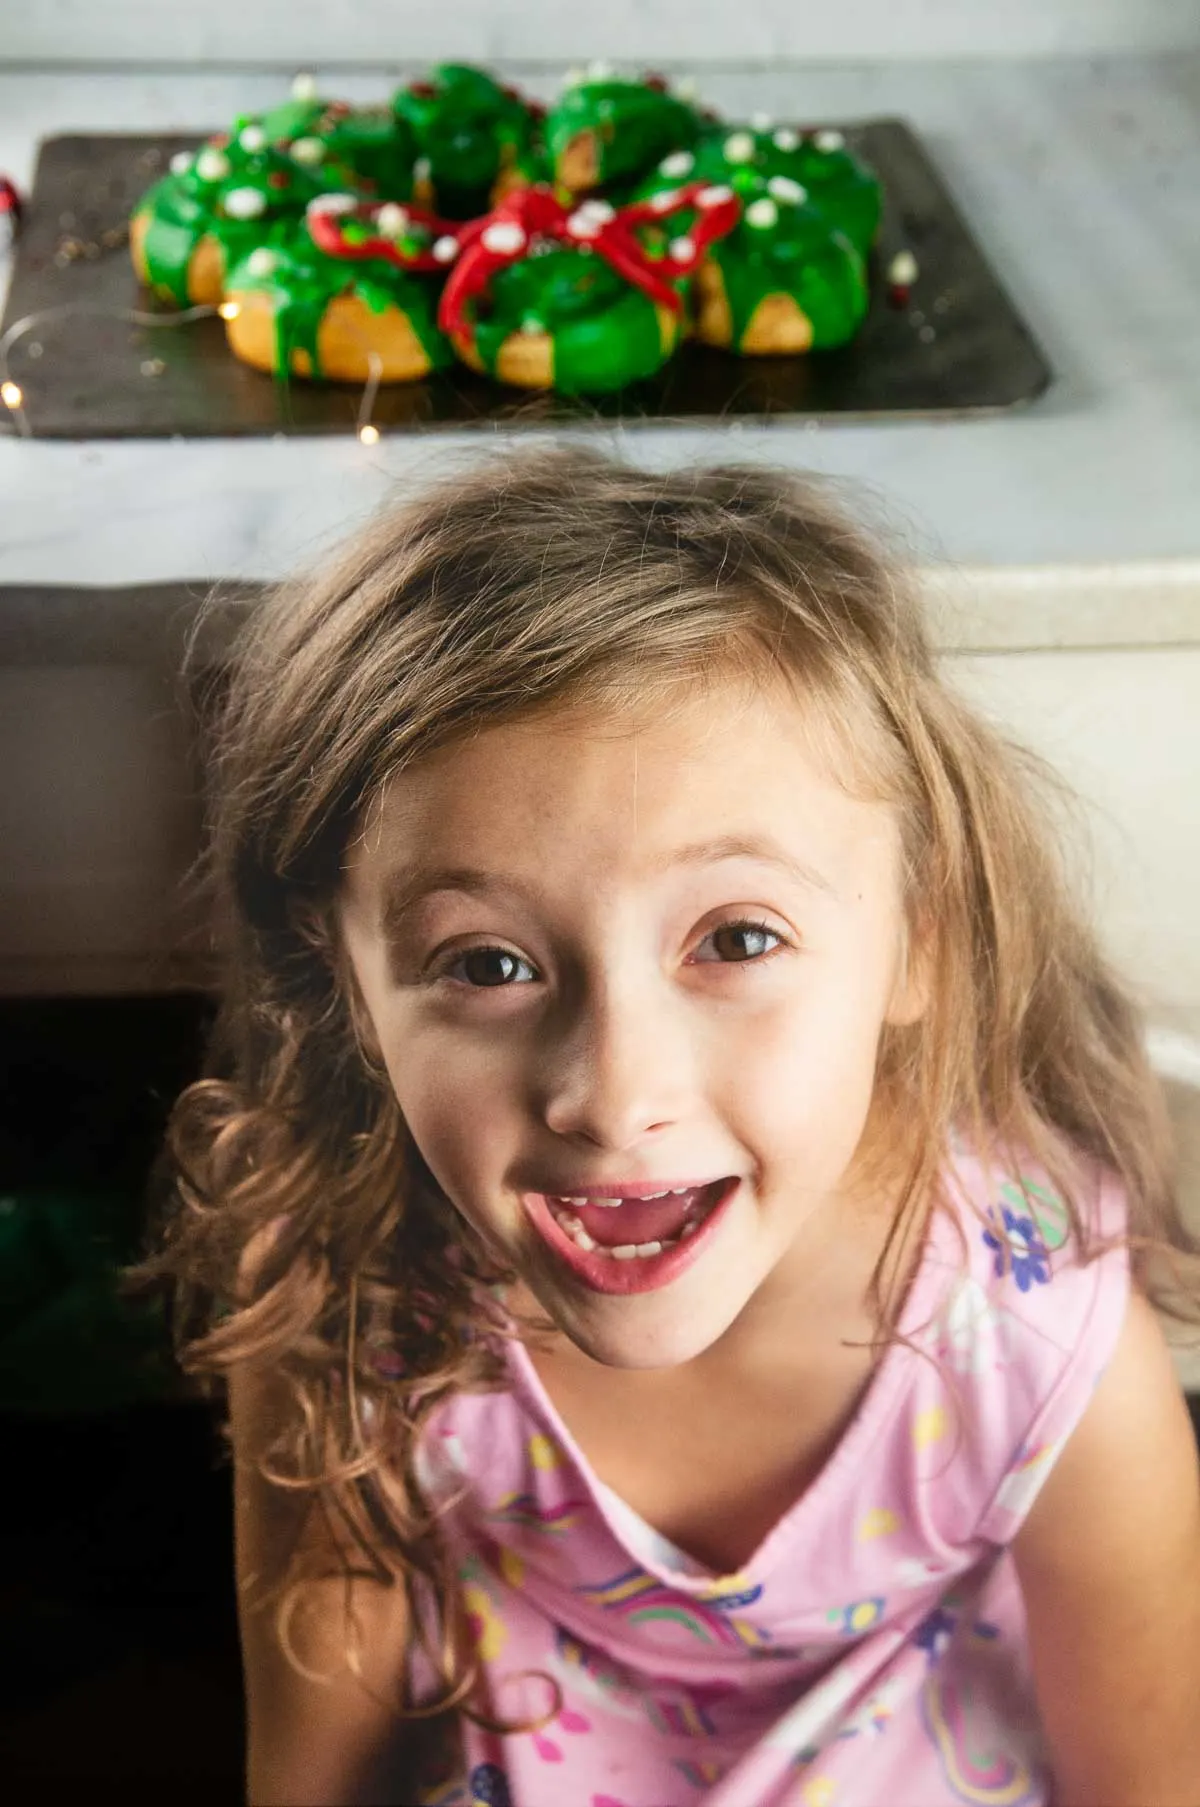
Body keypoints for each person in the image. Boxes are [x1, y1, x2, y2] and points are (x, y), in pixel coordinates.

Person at [150, 446, 1200, 1807]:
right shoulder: (348, 1295)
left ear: (915, 945)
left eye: (738, 937)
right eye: (485, 962)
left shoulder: (1040, 1332)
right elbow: (311, 1777)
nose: (613, 1092)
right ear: (349, 982)